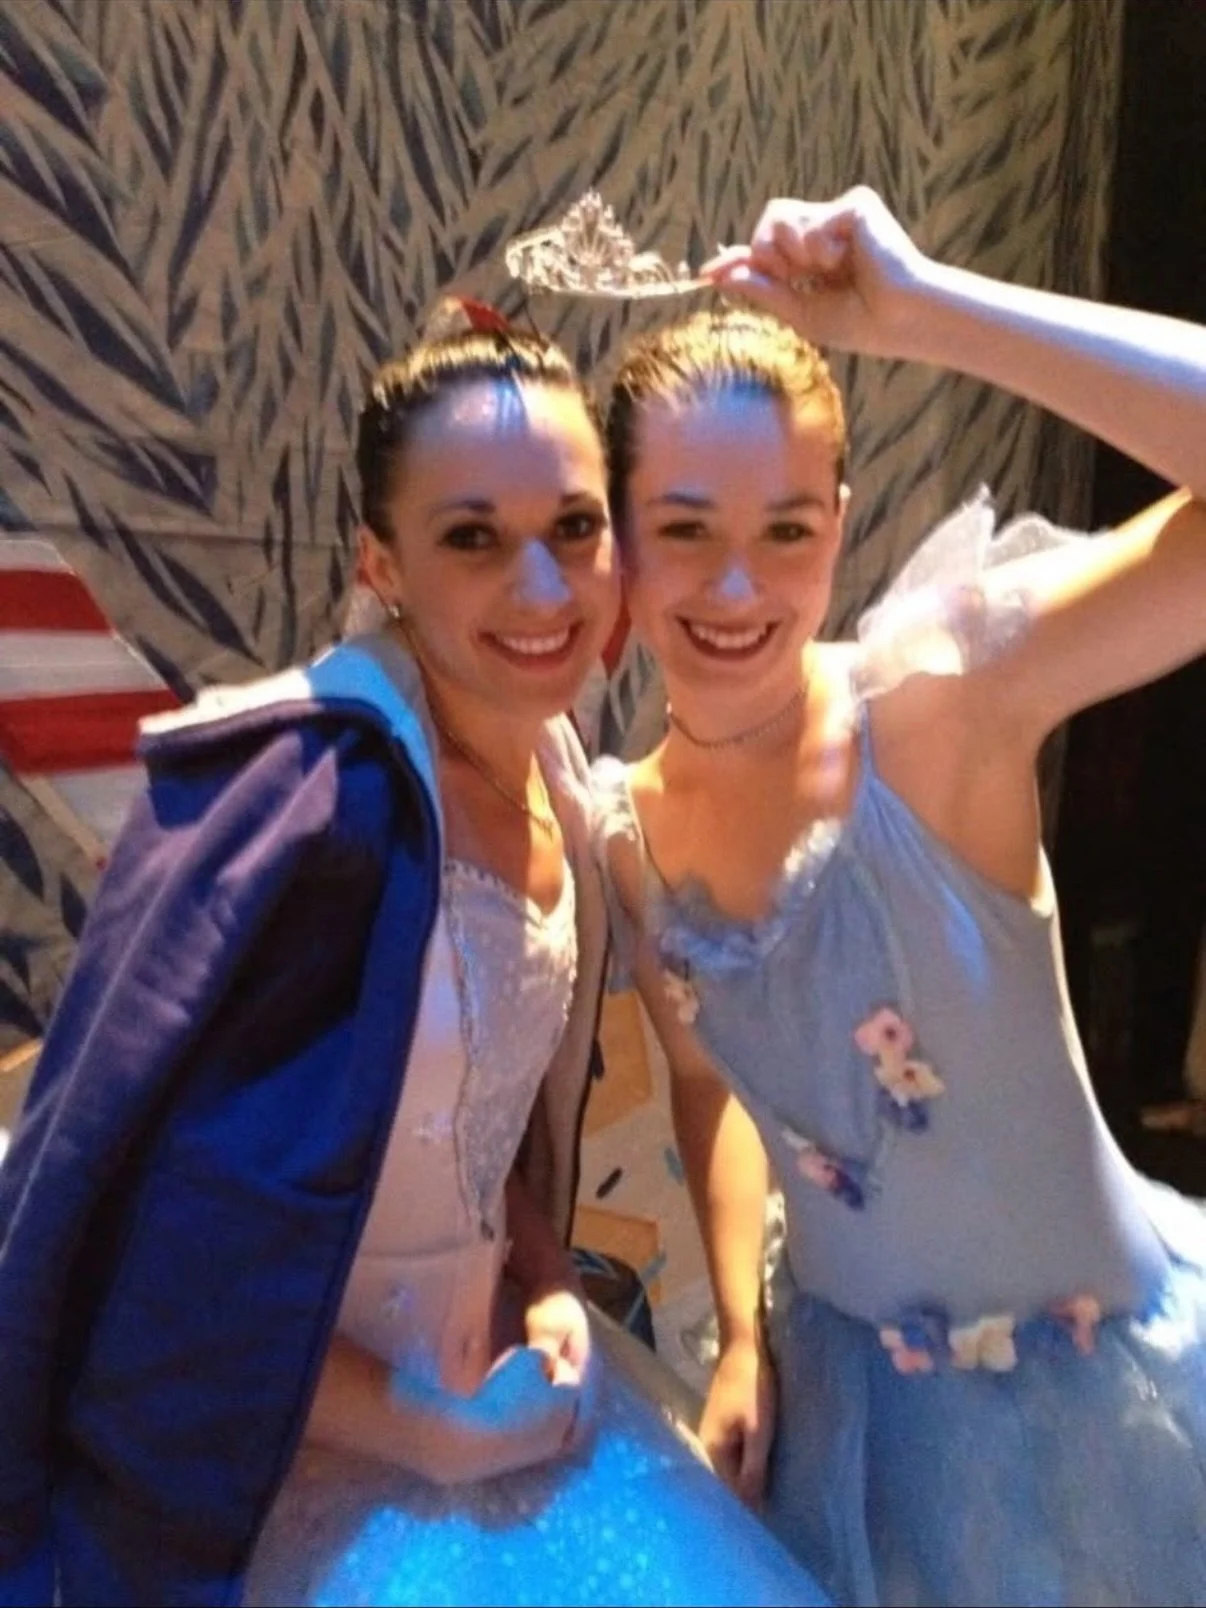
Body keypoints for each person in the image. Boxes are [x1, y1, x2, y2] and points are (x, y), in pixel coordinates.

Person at [0, 321, 825, 1606]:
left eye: (573, 527)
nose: (543, 589)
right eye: (472, 538)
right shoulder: (309, 809)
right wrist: (421, 1431)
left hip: (500, 1392)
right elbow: (172, 1258)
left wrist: (544, 1278)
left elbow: (478, 1140)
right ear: (381, 563)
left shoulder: (561, 773)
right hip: (288, 1459)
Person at [593, 187, 1206, 1606]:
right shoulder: (625, 832)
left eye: (786, 529)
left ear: (840, 522)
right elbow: (712, 1087)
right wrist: (743, 1336)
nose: (736, 584)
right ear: (615, 539)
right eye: (682, 528)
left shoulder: (937, 706)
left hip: (1116, 1426)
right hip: (856, 1433)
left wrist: (932, 309)